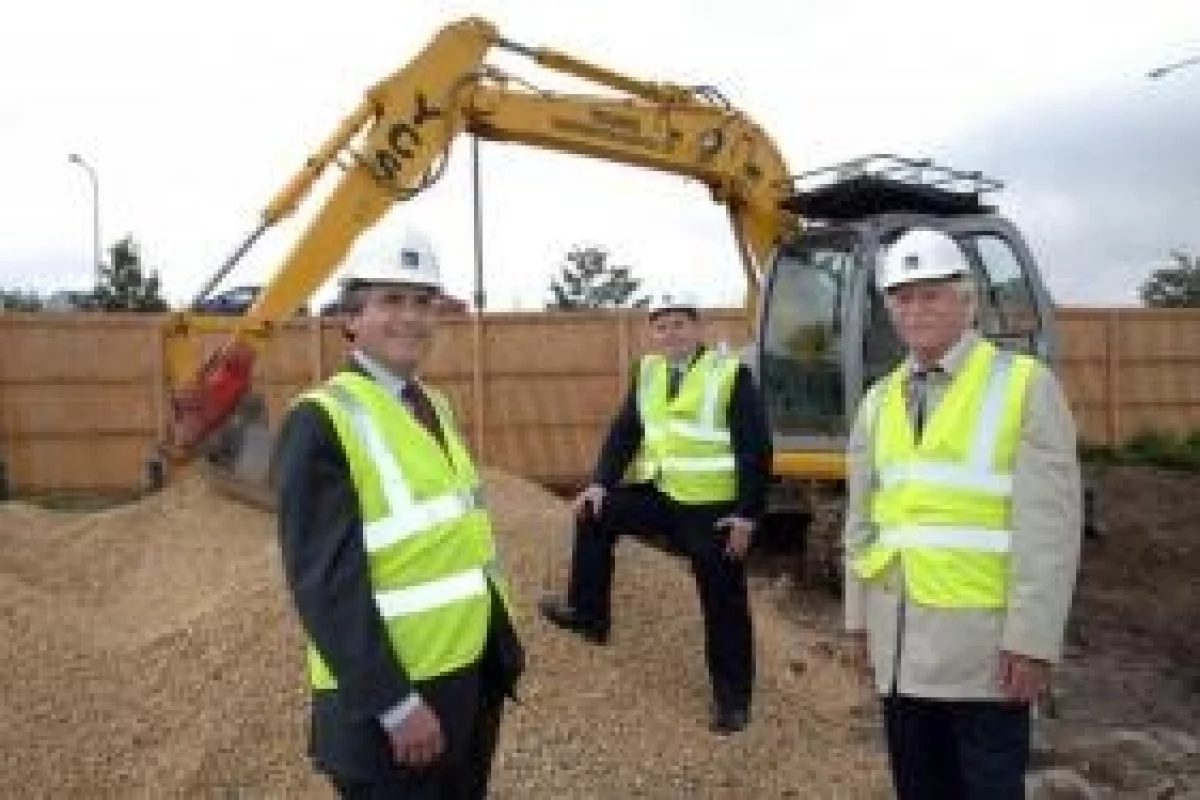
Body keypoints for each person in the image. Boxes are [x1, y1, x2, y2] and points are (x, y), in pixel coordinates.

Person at [273, 229, 524, 798]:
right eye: (391, 300)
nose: (411, 316)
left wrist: (499, 649)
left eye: (423, 301)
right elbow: (325, 584)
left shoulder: (433, 406)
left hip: (466, 677)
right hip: (395, 708)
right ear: (351, 319)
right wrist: (394, 703)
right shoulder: (321, 420)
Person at [842, 227, 1082, 799]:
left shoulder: (1023, 386)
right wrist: (859, 621)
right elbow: (864, 522)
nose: (916, 310)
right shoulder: (878, 400)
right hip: (900, 649)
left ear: (967, 301)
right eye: (903, 298)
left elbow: (1049, 530)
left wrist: (1033, 640)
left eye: (931, 295)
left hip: (983, 655)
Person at [538, 291, 772, 735]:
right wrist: (600, 483)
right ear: (653, 333)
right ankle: (589, 615)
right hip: (663, 496)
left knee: (723, 600)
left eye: (679, 324)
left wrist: (747, 515)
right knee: (593, 513)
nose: (670, 334)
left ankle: (732, 701)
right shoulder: (648, 372)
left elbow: (755, 449)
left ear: (697, 327)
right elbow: (625, 432)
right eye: (661, 326)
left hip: (713, 511)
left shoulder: (729, 374)